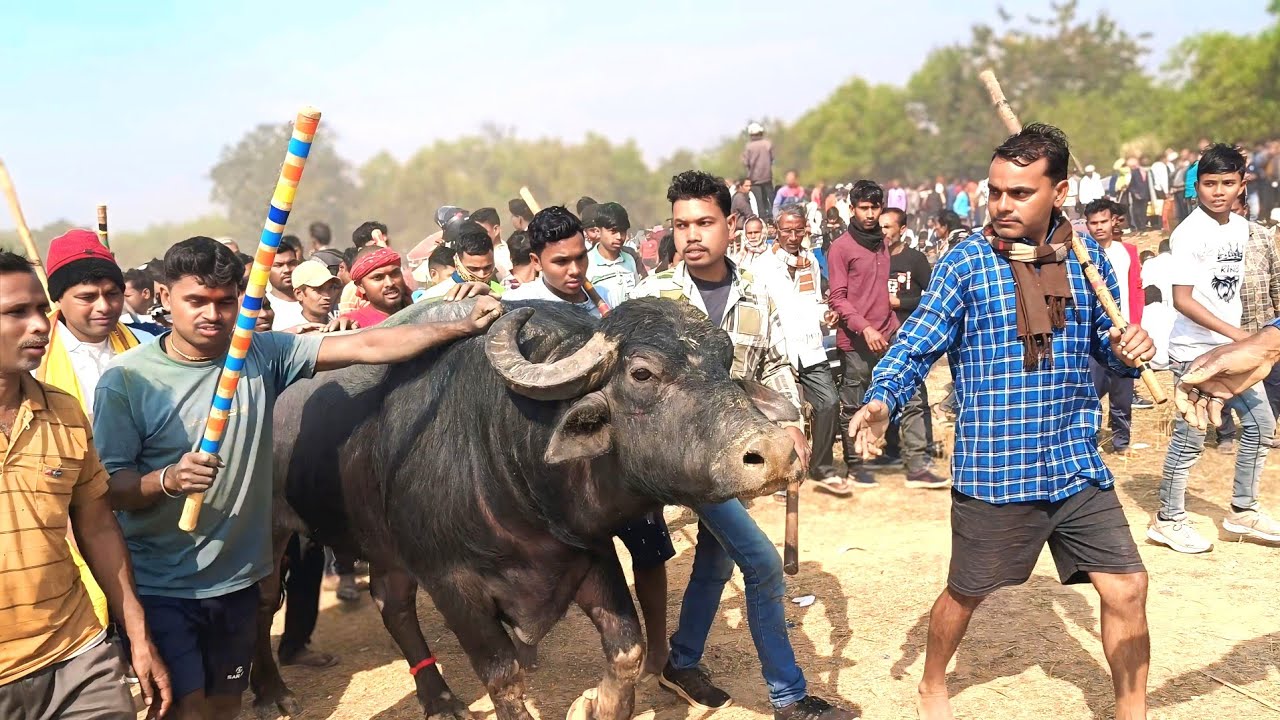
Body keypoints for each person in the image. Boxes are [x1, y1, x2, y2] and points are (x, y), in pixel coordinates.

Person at [94, 237, 502, 720]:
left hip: (240, 579)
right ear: (165, 298)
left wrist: (454, 326)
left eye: (226, 302)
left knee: (226, 705)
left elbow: (368, 344)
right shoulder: (126, 380)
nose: (213, 314)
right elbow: (110, 491)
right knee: (186, 708)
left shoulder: (263, 353)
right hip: (166, 585)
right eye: (197, 301)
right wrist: (167, 481)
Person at [849, 124, 1154, 720]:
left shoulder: (1088, 264)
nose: (1003, 205)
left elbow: (1106, 347)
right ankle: (935, 681)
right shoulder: (967, 262)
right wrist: (883, 398)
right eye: (995, 192)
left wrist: (1130, 346)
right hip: (996, 468)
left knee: (1128, 586)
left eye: (1020, 193)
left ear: (1058, 192)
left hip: (1073, 460)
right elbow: (916, 344)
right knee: (967, 593)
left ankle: (1131, 711)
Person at [632, 171, 854, 720]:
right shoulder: (654, 298)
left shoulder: (759, 291)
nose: (691, 235)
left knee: (713, 560)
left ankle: (681, 661)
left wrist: (794, 425)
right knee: (761, 564)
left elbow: (776, 364)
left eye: (704, 222)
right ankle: (789, 694)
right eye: (681, 225)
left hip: (740, 454)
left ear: (730, 225)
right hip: (684, 460)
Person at [0, 251, 172, 720]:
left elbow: (97, 529)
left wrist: (137, 633)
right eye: (17, 312)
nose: (39, 324)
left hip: (80, 658)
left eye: (40, 309)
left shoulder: (65, 411)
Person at [1149, 144, 1279, 554]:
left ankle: (1243, 510)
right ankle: (1168, 518)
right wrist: (1241, 335)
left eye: (1227, 183)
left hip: (1232, 350)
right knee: (1191, 435)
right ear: (1197, 187)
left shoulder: (1241, 229)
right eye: (1209, 184)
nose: (1218, 192)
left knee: (1260, 427)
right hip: (1194, 351)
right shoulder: (1188, 233)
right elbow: (1184, 300)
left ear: (1243, 184)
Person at [759, 206, 844, 496]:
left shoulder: (810, 264)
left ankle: (821, 465)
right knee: (782, 413)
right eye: (787, 230)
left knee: (829, 402)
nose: (793, 236)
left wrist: (826, 316)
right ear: (776, 230)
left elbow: (815, 302)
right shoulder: (761, 266)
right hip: (778, 352)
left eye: (799, 230)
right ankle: (783, 475)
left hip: (809, 347)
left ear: (806, 230)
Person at [827, 180, 899, 490]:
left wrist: (889, 324)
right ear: (853, 209)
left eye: (874, 207)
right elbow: (838, 298)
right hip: (856, 339)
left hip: (887, 332)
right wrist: (864, 327)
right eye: (863, 208)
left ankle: (887, 454)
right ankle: (855, 465)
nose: (869, 214)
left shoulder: (881, 242)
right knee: (853, 403)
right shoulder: (841, 247)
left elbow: (879, 289)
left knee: (887, 394)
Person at [878, 209, 949, 488]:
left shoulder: (915, 259)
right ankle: (893, 450)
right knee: (884, 395)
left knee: (914, 398)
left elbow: (933, 296)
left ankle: (919, 461)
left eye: (888, 227)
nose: (883, 232)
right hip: (878, 337)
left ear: (903, 229)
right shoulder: (874, 259)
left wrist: (902, 302)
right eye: (880, 227)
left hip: (908, 336)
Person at [1082, 199, 1144, 454]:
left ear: (1113, 222)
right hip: (1094, 335)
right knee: (1090, 391)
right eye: (1093, 223)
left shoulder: (1127, 252)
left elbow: (1136, 291)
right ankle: (1087, 440)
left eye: (1103, 222)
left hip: (1125, 333)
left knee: (1122, 393)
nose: (1099, 227)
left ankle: (1121, 441)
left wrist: (1136, 326)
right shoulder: (1081, 254)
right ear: (1086, 225)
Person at [342, 245, 414, 327]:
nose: (389, 283)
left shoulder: (421, 312)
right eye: (378, 277)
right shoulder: (353, 324)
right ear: (360, 286)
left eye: (394, 273)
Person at [586, 202, 645, 302]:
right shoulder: (586, 263)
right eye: (613, 231)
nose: (619, 237)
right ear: (598, 231)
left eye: (622, 231)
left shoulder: (629, 260)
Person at [268, 236, 306, 330]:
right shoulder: (264, 308)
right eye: (278, 265)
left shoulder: (314, 299)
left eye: (292, 263)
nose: (287, 270)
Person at [290, 259, 342, 326]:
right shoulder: (288, 331)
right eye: (318, 289)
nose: (327, 296)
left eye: (330, 288)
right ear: (299, 294)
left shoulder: (341, 322)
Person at [742, 122, 775, 220]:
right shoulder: (767, 144)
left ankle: (763, 221)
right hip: (767, 177)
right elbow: (772, 158)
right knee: (771, 199)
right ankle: (774, 219)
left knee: (759, 202)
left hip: (754, 178)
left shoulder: (749, 147)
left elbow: (745, 162)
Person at [471, 207, 510, 280]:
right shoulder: (495, 251)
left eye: (481, 231)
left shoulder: (500, 258)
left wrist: (489, 285)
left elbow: (505, 288)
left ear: (496, 230)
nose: (477, 236)